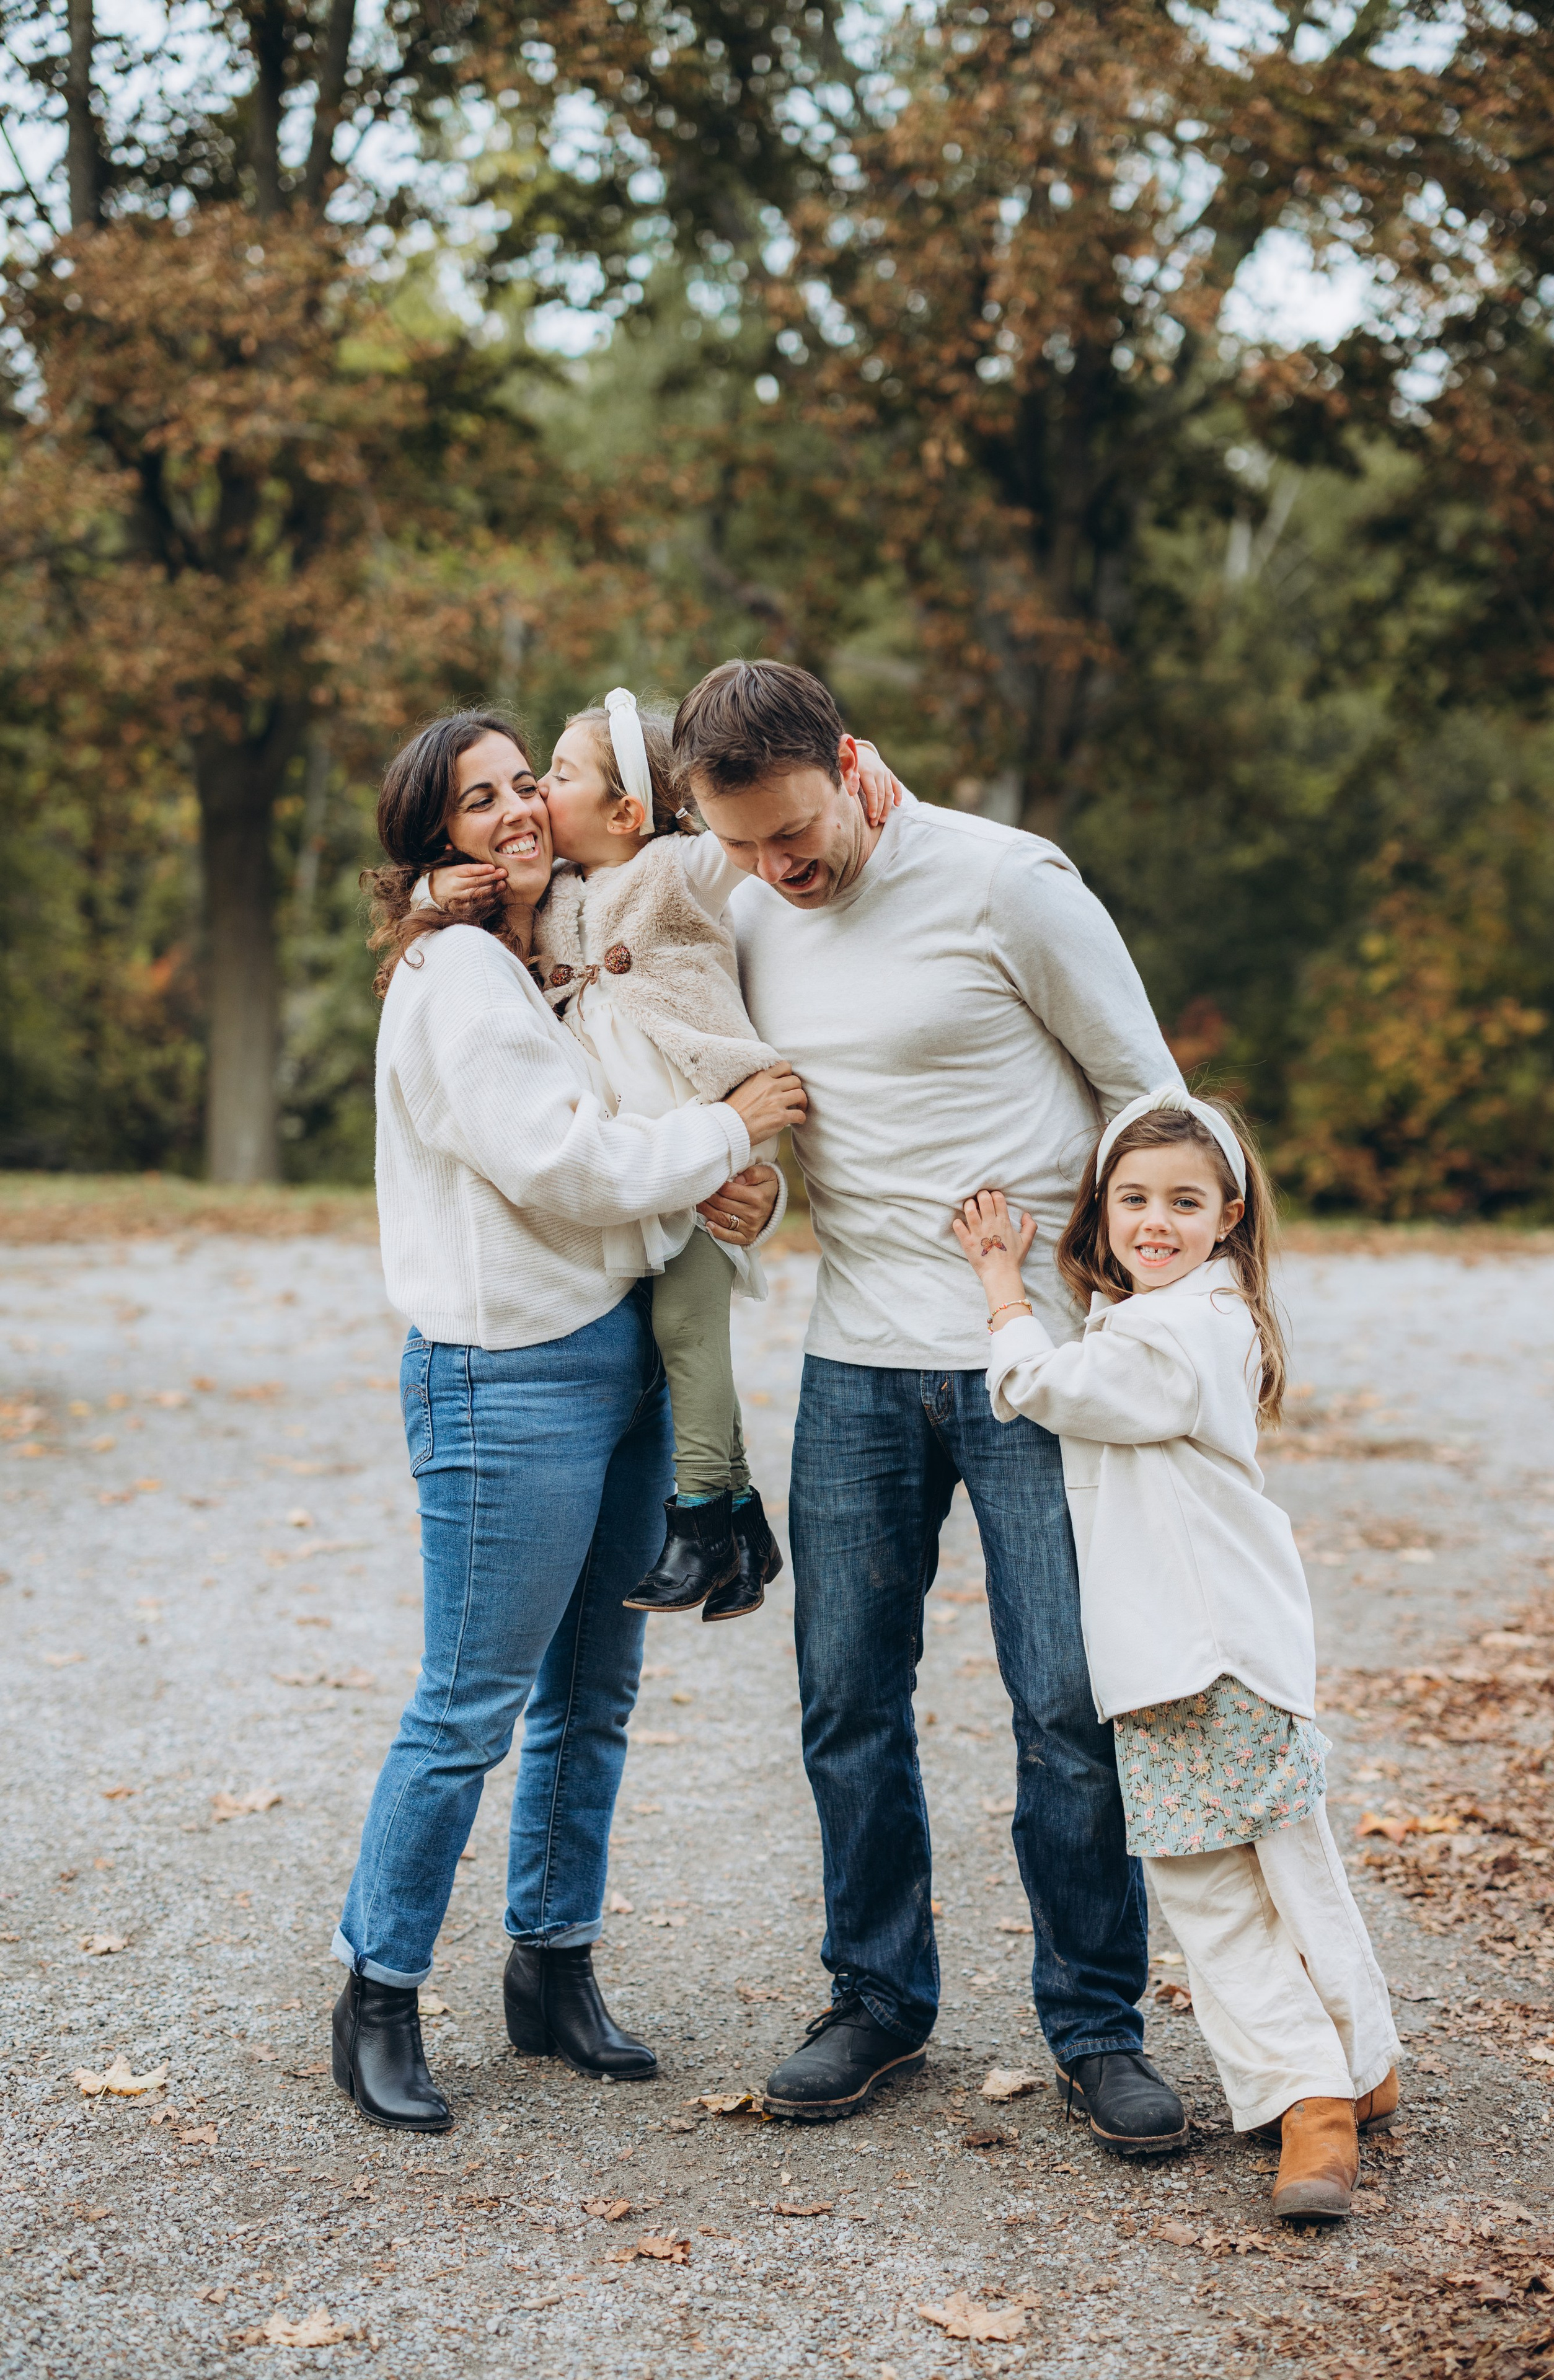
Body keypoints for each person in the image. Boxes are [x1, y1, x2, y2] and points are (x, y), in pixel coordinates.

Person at [674, 658, 1190, 2149]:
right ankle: (876, 2000)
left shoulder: (1006, 883)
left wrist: (1166, 1319)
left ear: (852, 766)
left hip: (1035, 1358)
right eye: (742, 843)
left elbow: (1148, 1099)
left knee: (1063, 1705)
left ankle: (1094, 2026)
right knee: (845, 1698)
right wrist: (749, 1192)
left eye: (795, 831)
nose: (779, 868)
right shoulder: (743, 906)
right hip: (854, 1362)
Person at [330, 710, 801, 2132]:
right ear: (438, 839)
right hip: (506, 1377)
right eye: (476, 801)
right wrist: (731, 1132)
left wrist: (731, 1185)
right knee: (468, 1705)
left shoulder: (541, 956)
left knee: (593, 1695)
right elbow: (561, 1161)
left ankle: (552, 1968)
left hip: (617, 1356)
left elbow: (639, 1090)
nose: (517, 808)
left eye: (524, 782)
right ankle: (377, 1992)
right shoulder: (459, 975)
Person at [954, 1084, 1400, 2219]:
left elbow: (1047, 1387)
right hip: (1240, 1647)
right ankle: (1362, 2060)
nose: (1155, 1221)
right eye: (1135, 1199)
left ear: (1229, 1216)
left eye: (1184, 1203)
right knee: (1290, 1866)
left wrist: (1002, 1285)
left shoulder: (1175, 1332)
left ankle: (1311, 2105)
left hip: (1189, 1658)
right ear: (1103, 1209)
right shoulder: (1200, 1312)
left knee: (1211, 1892)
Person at [424, 692, 904, 1623]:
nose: (538, 794)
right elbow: (448, 898)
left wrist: (858, 769)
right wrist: (430, 895)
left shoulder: (680, 869)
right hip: (649, 1161)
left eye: (557, 776)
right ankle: (744, 1525)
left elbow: (753, 812)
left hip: (708, 1137)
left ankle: (698, 1518)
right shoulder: (555, 893)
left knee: (687, 1331)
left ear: (626, 811)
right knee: (677, 1337)